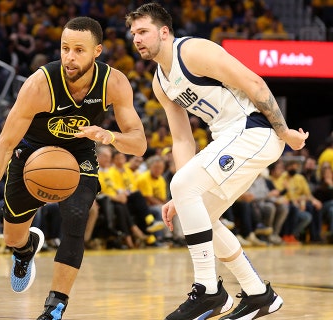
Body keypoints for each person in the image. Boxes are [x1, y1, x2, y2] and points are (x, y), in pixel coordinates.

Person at [126, 3, 309, 320]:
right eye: (133, 34)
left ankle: (208, 290)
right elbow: (183, 139)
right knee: (202, 217)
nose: (136, 39)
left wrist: (285, 132)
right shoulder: (160, 82)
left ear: (164, 31)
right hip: (227, 138)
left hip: (254, 130)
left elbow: (256, 83)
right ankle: (258, 294)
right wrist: (181, 196)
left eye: (143, 31)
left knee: (186, 189)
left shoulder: (193, 50)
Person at [0, 16, 146, 320]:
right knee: (11, 237)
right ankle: (25, 249)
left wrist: (110, 136)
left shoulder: (114, 82)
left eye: (79, 50)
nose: (70, 57)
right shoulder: (39, 85)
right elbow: (5, 144)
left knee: (75, 218)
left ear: (97, 51)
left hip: (79, 155)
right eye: (64, 49)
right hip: (32, 154)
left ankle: (55, 307)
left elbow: (139, 144)